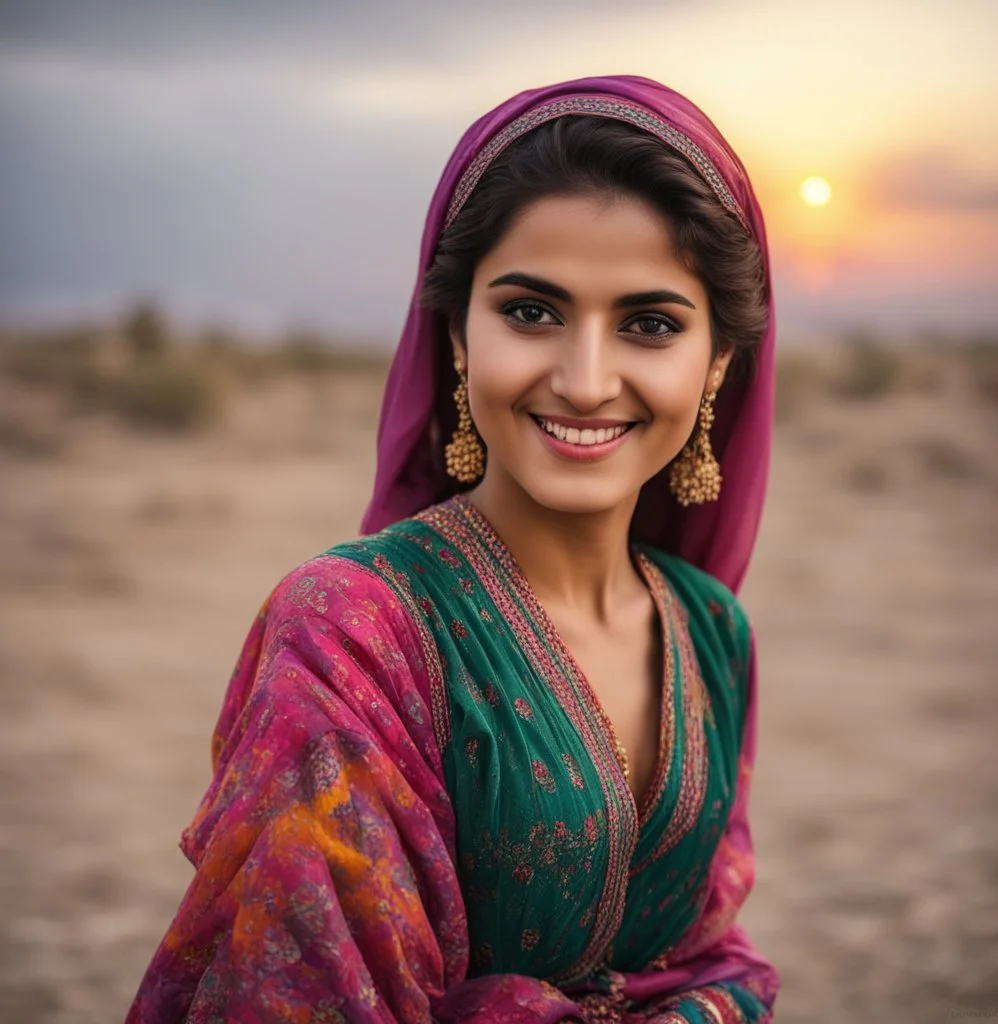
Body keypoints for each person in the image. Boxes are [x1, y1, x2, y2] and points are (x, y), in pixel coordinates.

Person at [127, 74, 779, 1023]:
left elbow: (708, 955)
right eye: (531, 311)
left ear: (717, 360)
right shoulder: (351, 629)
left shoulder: (709, 628)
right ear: (458, 334)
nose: (586, 379)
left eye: (649, 324)